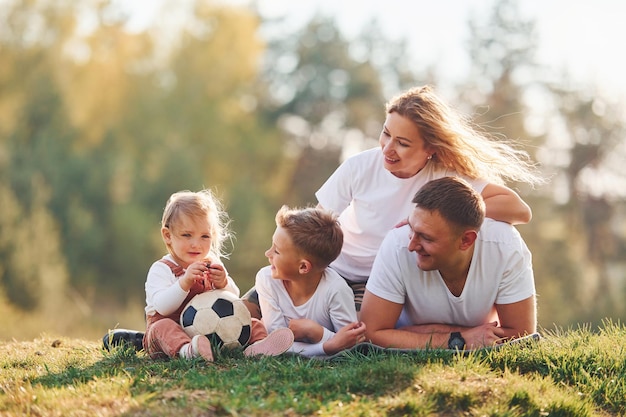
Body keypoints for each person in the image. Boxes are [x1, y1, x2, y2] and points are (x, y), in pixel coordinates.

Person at [243, 84, 542, 315]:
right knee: (253, 307)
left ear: (430, 149)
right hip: (330, 267)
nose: (388, 148)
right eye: (386, 134)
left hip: (376, 282)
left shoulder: (445, 177)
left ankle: (291, 336)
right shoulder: (360, 166)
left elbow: (519, 210)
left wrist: (446, 212)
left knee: (350, 332)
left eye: (403, 143)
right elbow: (317, 224)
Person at [360, 177, 537, 350]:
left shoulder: (505, 246)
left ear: (466, 240)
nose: (412, 245)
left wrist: (412, 334)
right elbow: (372, 333)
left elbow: (522, 336)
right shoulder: (397, 244)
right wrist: (462, 339)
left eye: (426, 237)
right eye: (412, 229)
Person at [143, 189, 294, 362]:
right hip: (168, 337)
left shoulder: (211, 261)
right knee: (163, 327)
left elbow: (234, 297)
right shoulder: (162, 269)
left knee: (251, 322)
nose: (196, 244)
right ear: (168, 236)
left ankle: (259, 346)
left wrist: (223, 283)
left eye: (204, 236)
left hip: (208, 329)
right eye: (187, 235)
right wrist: (184, 283)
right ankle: (188, 351)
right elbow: (162, 307)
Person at [255, 205, 367, 358]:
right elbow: (277, 345)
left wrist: (317, 332)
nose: (267, 253)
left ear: (303, 267)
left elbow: (349, 347)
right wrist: (327, 346)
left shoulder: (336, 290)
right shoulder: (266, 279)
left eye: (277, 251)